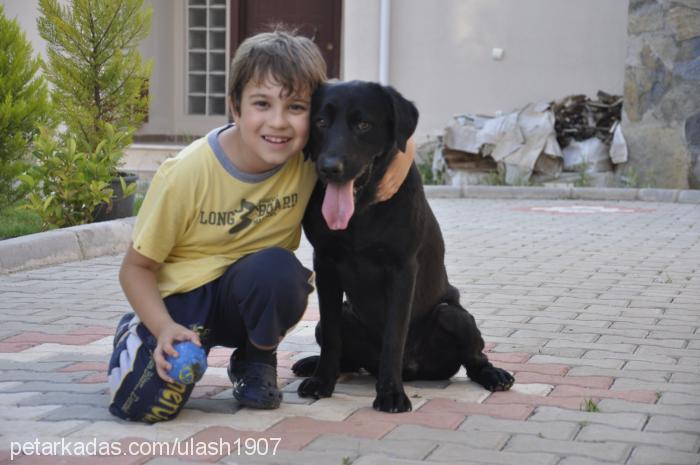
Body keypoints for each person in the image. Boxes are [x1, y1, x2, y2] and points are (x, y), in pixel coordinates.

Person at [107, 28, 416, 423]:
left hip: (251, 294)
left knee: (279, 271)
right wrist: (163, 327)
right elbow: (136, 268)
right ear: (235, 106)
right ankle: (138, 332)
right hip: (184, 300)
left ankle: (257, 359)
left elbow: (374, 109)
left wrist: (406, 152)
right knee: (144, 408)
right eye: (262, 104)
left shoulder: (306, 161)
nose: (279, 122)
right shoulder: (185, 174)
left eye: (296, 107)